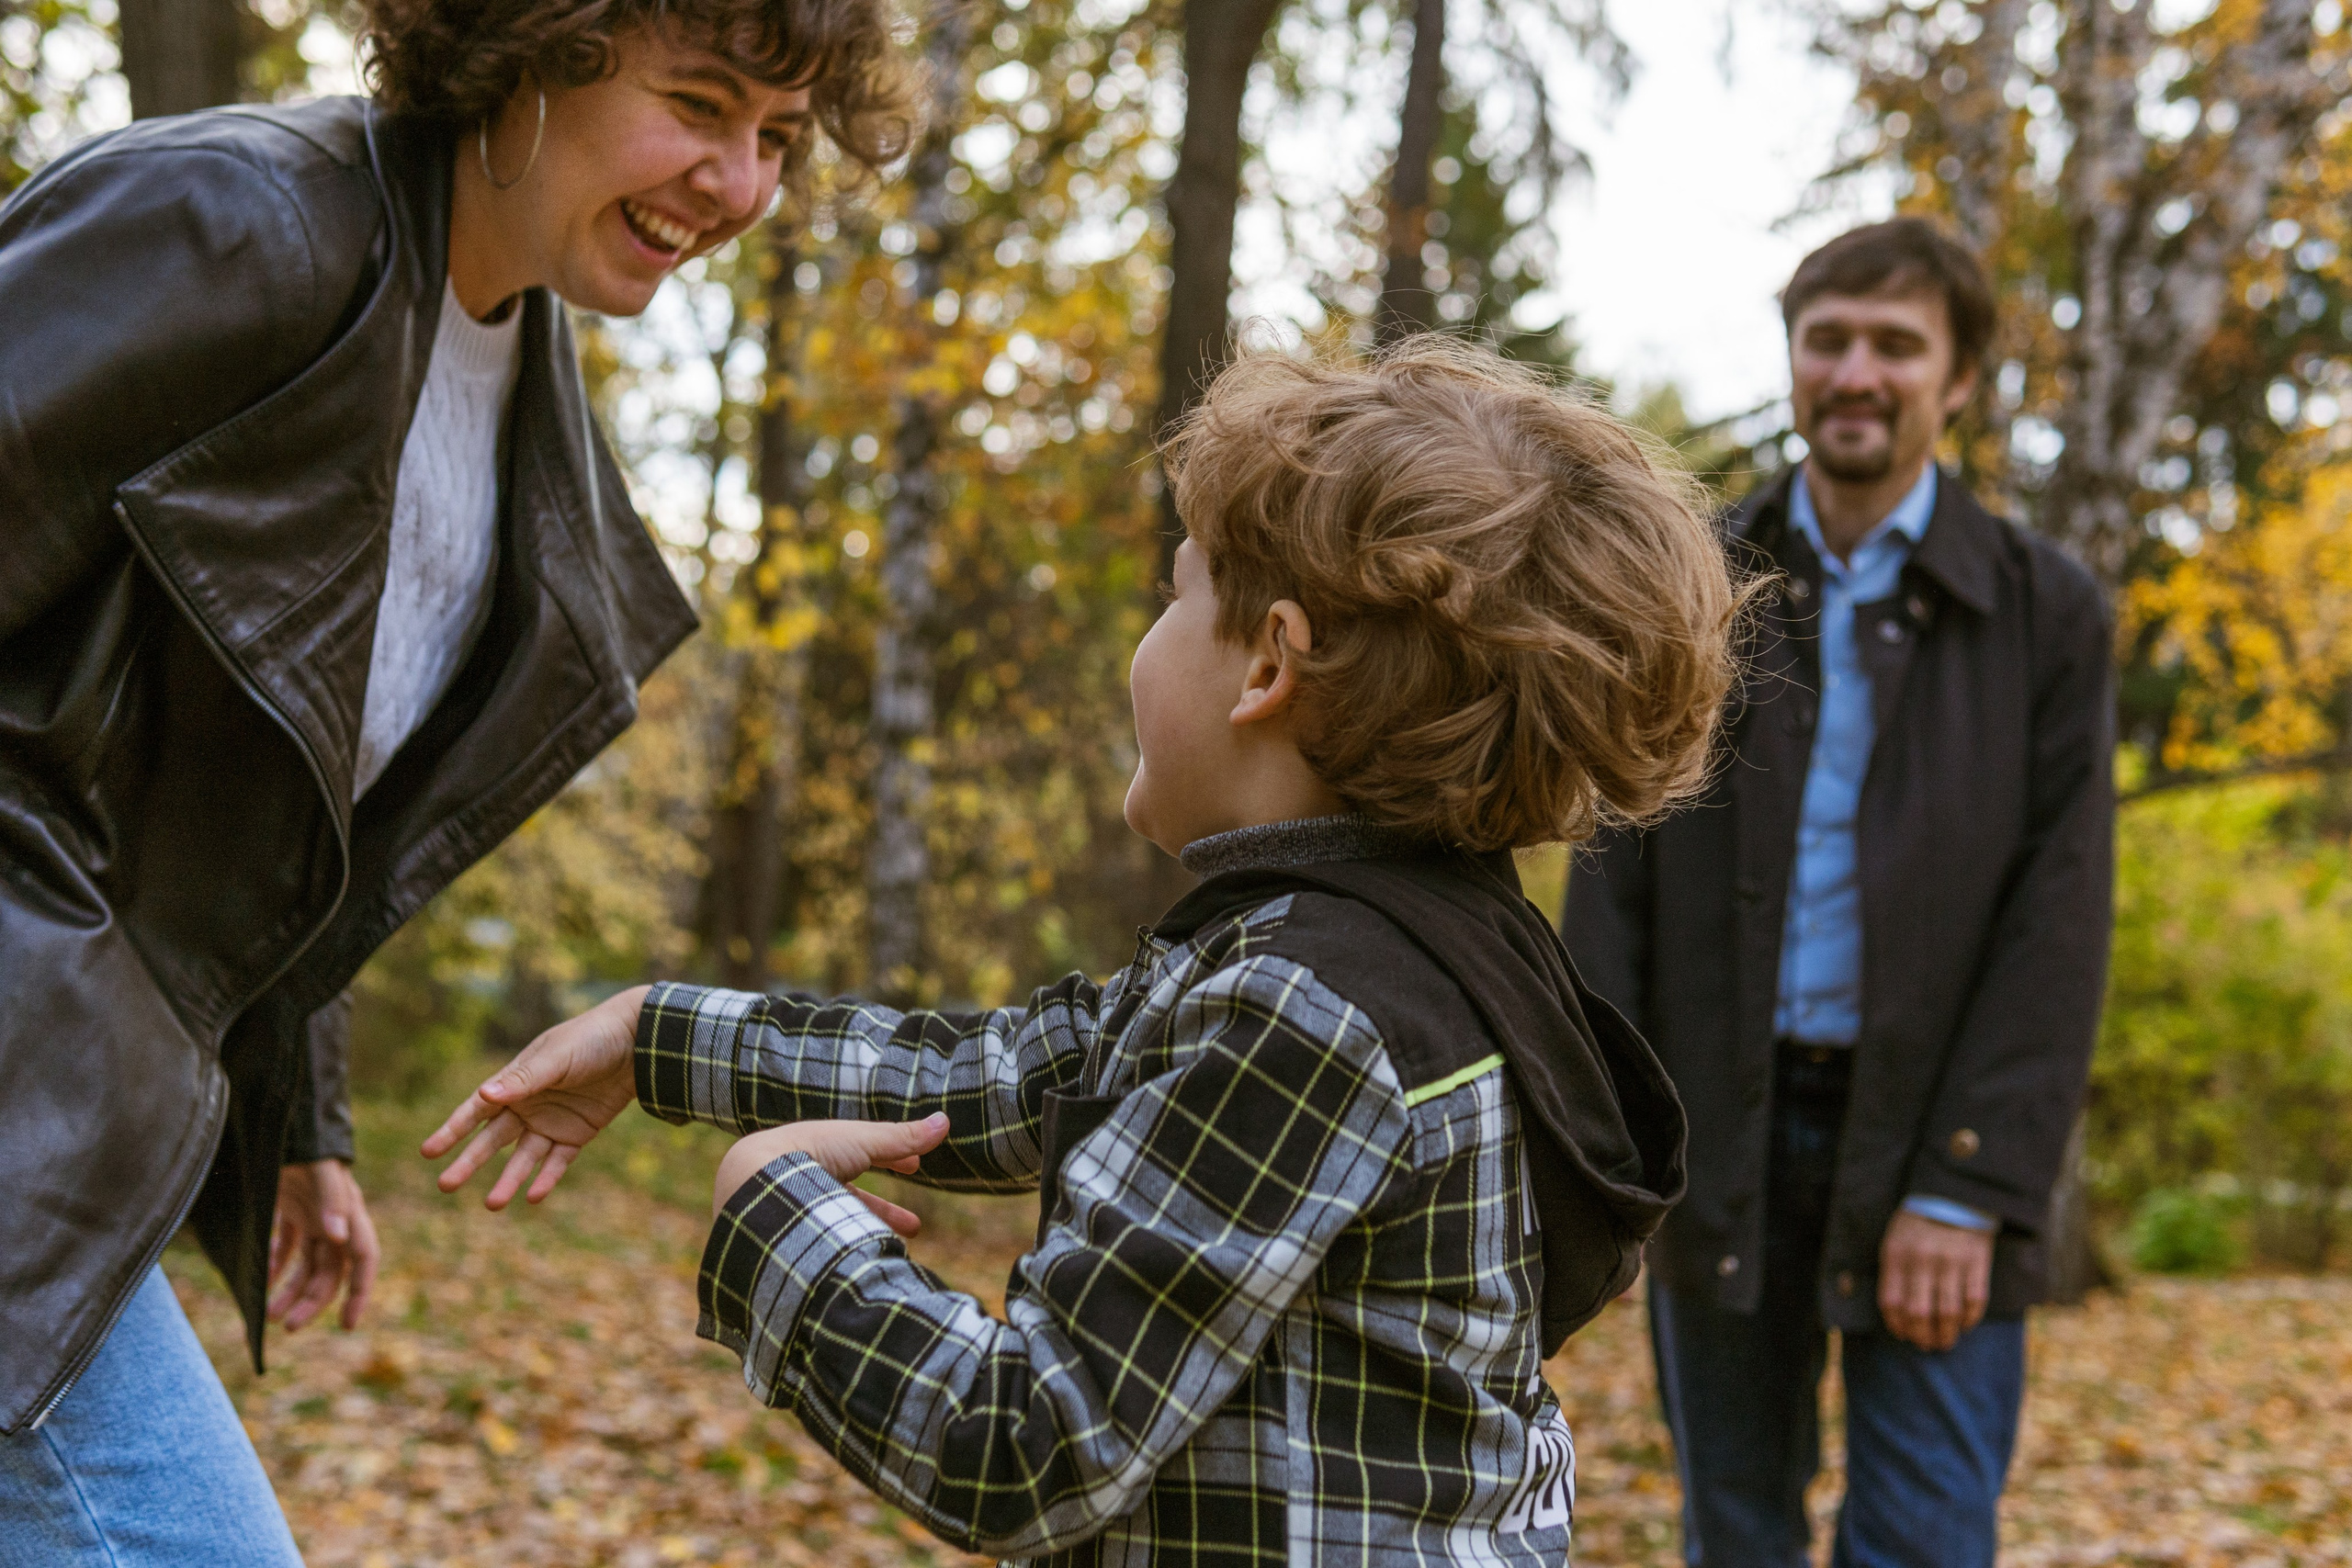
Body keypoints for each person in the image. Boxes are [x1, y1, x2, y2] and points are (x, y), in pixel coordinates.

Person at [424, 337, 1739, 1563]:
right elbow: (1008, 1073)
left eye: (1175, 599)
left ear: (1267, 666)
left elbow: (1023, 1445)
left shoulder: (1310, 1008)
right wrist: (662, 1035)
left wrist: (775, 1217)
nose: (1143, 646)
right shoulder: (1385, 949)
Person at [0, 2, 911, 1562]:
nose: (743, 184)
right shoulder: (239, 221)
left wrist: (299, 1116)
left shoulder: (514, 391)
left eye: (777, 137)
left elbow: (276, 783)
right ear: (526, 47)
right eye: (698, 103)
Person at [1563, 216, 2117, 1567]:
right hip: (1720, 1137)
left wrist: (1969, 1187)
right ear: (1795, 357)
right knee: (1735, 1531)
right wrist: (1613, 1147)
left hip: (1933, 1148)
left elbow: (2060, 918)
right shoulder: (1691, 578)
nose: (1857, 373)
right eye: (1830, 341)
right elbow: (1613, 867)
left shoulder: (2046, 612)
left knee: (1923, 1536)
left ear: (1960, 380)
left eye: (1896, 345)